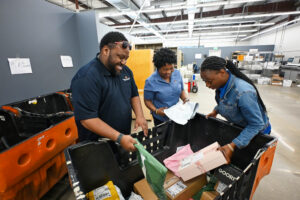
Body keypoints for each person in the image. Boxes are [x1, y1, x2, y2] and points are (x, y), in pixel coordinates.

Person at [71, 32, 148, 152]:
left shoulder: (125, 71)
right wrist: (119, 137)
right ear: (105, 50)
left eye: (126, 58)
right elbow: (88, 119)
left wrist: (140, 115)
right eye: (120, 57)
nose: (124, 62)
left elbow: (133, 95)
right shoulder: (86, 77)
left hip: (122, 139)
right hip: (97, 146)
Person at [200, 56, 271, 162]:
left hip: (256, 134)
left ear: (222, 72)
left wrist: (232, 146)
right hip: (240, 128)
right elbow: (225, 101)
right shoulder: (222, 84)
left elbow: (256, 124)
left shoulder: (243, 92)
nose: (207, 85)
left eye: (209, 81)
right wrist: (216, 110)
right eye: (204, 81)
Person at [144, 48, 189, 126]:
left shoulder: (177, 74)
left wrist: (185, 99)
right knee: (164, 137)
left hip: (177, 114)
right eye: (165, 69)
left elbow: (181, 90)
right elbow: (147, 101)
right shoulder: (151, 81)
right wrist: (156, 111)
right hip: (161, 119)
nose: (168, 72)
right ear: (158, 68)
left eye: (171, 68)